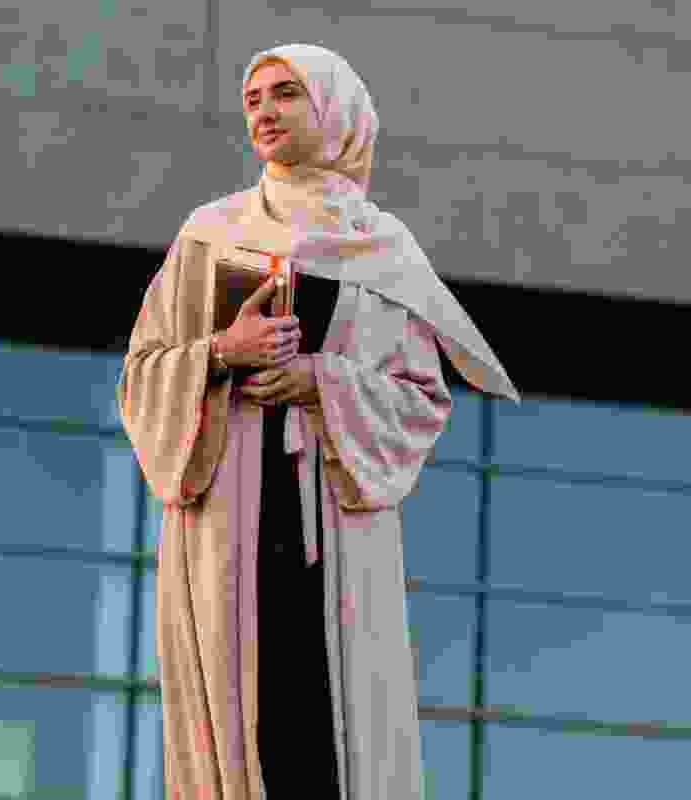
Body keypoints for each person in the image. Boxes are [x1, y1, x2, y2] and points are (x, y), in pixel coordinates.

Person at [116, 43, 520, 800]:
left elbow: (421, 399)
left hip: (333, 525)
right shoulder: (210, 233)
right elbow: (141, 375)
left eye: (285, 94)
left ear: (336, 110)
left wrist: (320, 381)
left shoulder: (384, 251)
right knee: (238, 726)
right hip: (224, 518)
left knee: (330, 732)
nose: (264, 113)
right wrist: (222, 352)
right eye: (252, 99)